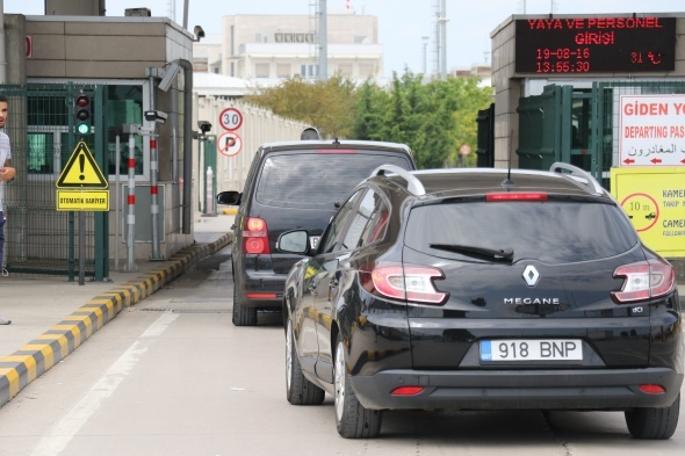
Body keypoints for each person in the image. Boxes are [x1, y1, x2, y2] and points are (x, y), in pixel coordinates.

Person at [0, 95, 16, 325]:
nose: (1, 115)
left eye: (4, 111)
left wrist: (11, 175)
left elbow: (6, 171)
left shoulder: (4, 139)